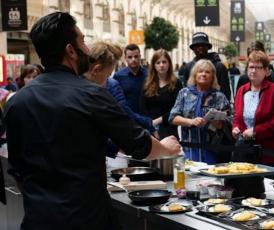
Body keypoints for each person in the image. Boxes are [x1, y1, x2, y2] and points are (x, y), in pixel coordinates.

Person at [3, 12, 181, 230]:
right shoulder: (91, 94)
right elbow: (138, 144)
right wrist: (166, 148)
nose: (87, 49)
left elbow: (16, 169)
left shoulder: (16, 101)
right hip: (87, 220)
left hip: (37, 220)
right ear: (70, 50)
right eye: (83, 42)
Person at [232, 51, 274, 179]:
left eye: (258, 67)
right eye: (251, 67)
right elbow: (237, 116)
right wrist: (235, 127)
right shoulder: (241, 90)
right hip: (245, 152)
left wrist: (256, 131)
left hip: (269, 153)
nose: (253, 71)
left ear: (267, 71)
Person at [169, 59, 230, 164]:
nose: (203, 74)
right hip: (189, 149)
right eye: (200, 71)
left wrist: (219, 124)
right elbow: (173, 118)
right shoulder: (184, 93)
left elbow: (230, 121)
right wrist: (191, 122)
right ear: (194, 75)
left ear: (212, 77)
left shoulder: (219, 96)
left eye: (207, 72)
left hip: (213, 150)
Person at [112, 44, 155, 133]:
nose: (133, 60)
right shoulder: (118, 76)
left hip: (147, 121)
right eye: (130, 57)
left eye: (136, 56)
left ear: (140, 56)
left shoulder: (149, 75)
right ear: (125, 58)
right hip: (128, 121)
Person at [141, 49, 183, 139]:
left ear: (169, 64)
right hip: (150, 128)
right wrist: (150, 125)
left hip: (169, 128)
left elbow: (178, 108)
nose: (161, 65)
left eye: (164, 62)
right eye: (158, 62)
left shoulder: (176, 83)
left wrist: (159, 120)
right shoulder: (147, 83)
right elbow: (143, 107)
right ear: (153, 65)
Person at [183, 32, 231, 100]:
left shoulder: (219, 66)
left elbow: (225, 90)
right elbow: (186, 89)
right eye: (197, 45)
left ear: (208, 47)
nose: (200, 48)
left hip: (216, 105)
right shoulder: (188, 67)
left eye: (203, 45)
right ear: (193, 48)